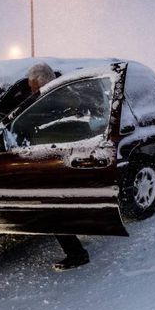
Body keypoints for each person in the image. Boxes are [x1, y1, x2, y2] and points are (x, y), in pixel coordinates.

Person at [26, 62, 91, 271]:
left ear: (39, 81)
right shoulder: (63, 93)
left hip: (60, 160)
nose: (30, 88)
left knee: (54, 209)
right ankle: (78, 244)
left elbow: (56, 127)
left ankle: (77, 254)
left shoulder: (53, 99)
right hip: (67, 158)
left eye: (31, 84)